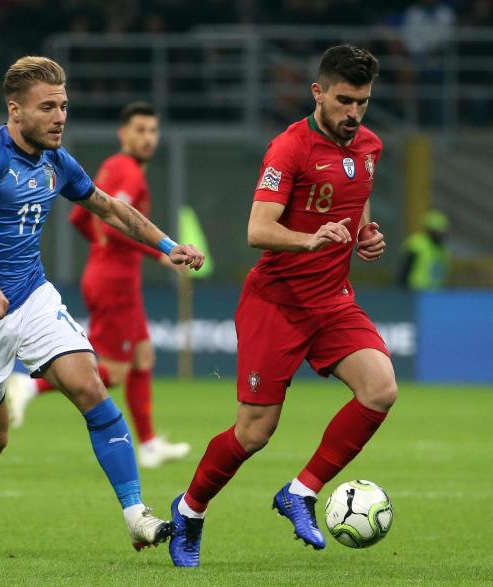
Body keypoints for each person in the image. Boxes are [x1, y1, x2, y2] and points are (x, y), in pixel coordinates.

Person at [0, 56, 204, 551]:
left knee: (90, 385)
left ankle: (136, 513)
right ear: (15, 111)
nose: (59, 117)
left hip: (30, 298)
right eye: (47, 107)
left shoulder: (56, 159)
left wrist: (166, 246)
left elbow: (109, 208)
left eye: (64, 106)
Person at [167, 45, 395, 567]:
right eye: (343, 100)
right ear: (318, 92)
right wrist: (312, 239)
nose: (353, 113)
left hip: (333, 302)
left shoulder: (369, 146)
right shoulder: (289, 148)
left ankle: (301, 492)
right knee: (254, 432)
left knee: (380, 389)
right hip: (277, 303)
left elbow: (356, 194)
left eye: (362, 102)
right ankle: (190, 510)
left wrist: (365, 233)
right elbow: (258, 230)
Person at [5, 101, 191, 469]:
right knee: (115, 371)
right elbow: (111, 223)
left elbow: (79, 216)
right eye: (140, 130)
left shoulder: (113, 167)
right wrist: (159, 254)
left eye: (153, 131)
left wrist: (102, 249)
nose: (148, 138)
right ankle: (29, 385)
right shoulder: (129, 173)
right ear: (123, 134)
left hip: (113, 275)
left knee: (143, 357)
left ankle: (150, 443)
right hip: (115, 282)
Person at [398, 209, 450, 290]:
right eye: (437, 232)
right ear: (429, 230)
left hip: (435, 292)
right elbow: (405, 269)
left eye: (443, 232)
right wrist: (402, 289)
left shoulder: (442, 249)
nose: (441, 235)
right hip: (415, 291)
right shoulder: (416, 244)